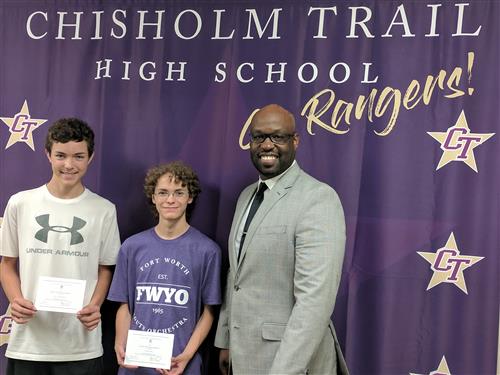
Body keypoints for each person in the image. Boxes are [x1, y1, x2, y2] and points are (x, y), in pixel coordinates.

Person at [214, 104, 349, 375]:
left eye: (278, 137)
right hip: (243, 355)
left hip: (288, 362)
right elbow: (237, 277)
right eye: (259, 137)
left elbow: (315, 302)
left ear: (295, 141)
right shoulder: (246, 196)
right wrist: (227, 340)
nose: (267, 145)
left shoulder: (318, 198)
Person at [0, 118, 121, 375]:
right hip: (29, 342)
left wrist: (95, 305)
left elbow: (106, 268)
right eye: (60, 155)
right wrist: (16, 300)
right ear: (48, 155)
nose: (69, 164)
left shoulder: (104, 210)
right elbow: (7, 264)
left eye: (78, 156)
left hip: (80, 343)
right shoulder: (21, 203)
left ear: (90, 157)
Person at [108, 161, 221, 375]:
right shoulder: (132, 247)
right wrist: (120, 344)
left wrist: (186, 356)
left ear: (190, 197)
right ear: (153, 197)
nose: (170, 199)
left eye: (179, 193)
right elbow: (124, 305)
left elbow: (209, 311)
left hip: (180, 364)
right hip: (135, 366)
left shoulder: (208, 251)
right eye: (163, 192)